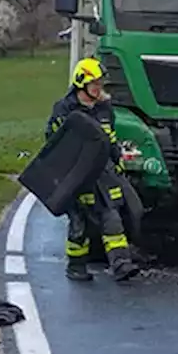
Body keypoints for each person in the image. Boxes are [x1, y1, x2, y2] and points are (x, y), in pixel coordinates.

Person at [47, 58, 140, 282]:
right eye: (94, 84)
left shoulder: (104, 108)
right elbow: (54, 142)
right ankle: (76, 266)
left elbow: (111, 138)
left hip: (103, 173)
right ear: (81, 84)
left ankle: (121, 264)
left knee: (111, 212)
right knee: (80, 222)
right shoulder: (64, 110)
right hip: (75, 175)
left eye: (100, 83)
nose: (99, 88)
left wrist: (118, 161)